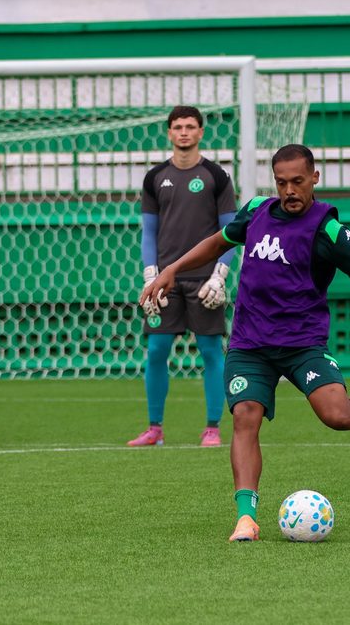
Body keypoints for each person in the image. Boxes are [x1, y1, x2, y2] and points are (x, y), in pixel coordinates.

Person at [141, 144, 350, 542]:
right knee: (245, 416)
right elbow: (217, 243)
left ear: (315, 177)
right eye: (282, 182)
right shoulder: (256, 211)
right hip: (251, 344)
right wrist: (171, 270)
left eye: (298, 182)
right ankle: (246, 518)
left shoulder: (329, 230)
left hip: (303, 345)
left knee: (337, 416)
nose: (289, 191)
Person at [127, 105, 238, 449]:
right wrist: (150, 275)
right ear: (169, 133)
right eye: (178, 127)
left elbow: (230, 233)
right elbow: (149, 233)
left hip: (206, 279)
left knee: (209, 351)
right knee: (157, 349)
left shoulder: (217, 177)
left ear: (201, 132)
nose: (184, 132)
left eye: (191, 126)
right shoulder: (155, 177)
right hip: (165, 281)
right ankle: (155, 429)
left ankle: (212, 428)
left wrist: (220, 276)